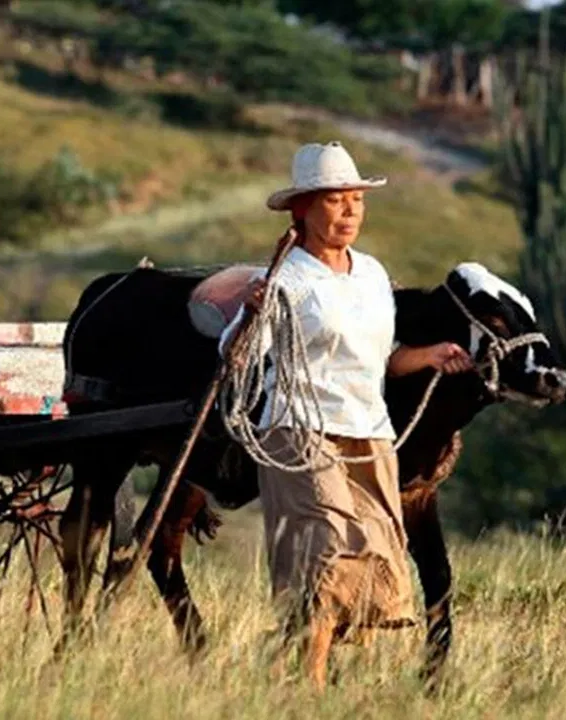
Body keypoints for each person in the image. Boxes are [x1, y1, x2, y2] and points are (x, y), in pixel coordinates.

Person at [216, 141, 474, 689]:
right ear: (302, 210)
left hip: (369, 433)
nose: (350, 211)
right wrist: (250, 315)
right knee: (330, 544)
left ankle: (305, 665)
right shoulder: (286, 279)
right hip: (299, 431)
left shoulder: (373, 275)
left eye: (356, 199)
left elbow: (382, 360)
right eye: (336, 201)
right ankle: (306, 677)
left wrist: (428, 357)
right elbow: (233, 355)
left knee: (379, 552)